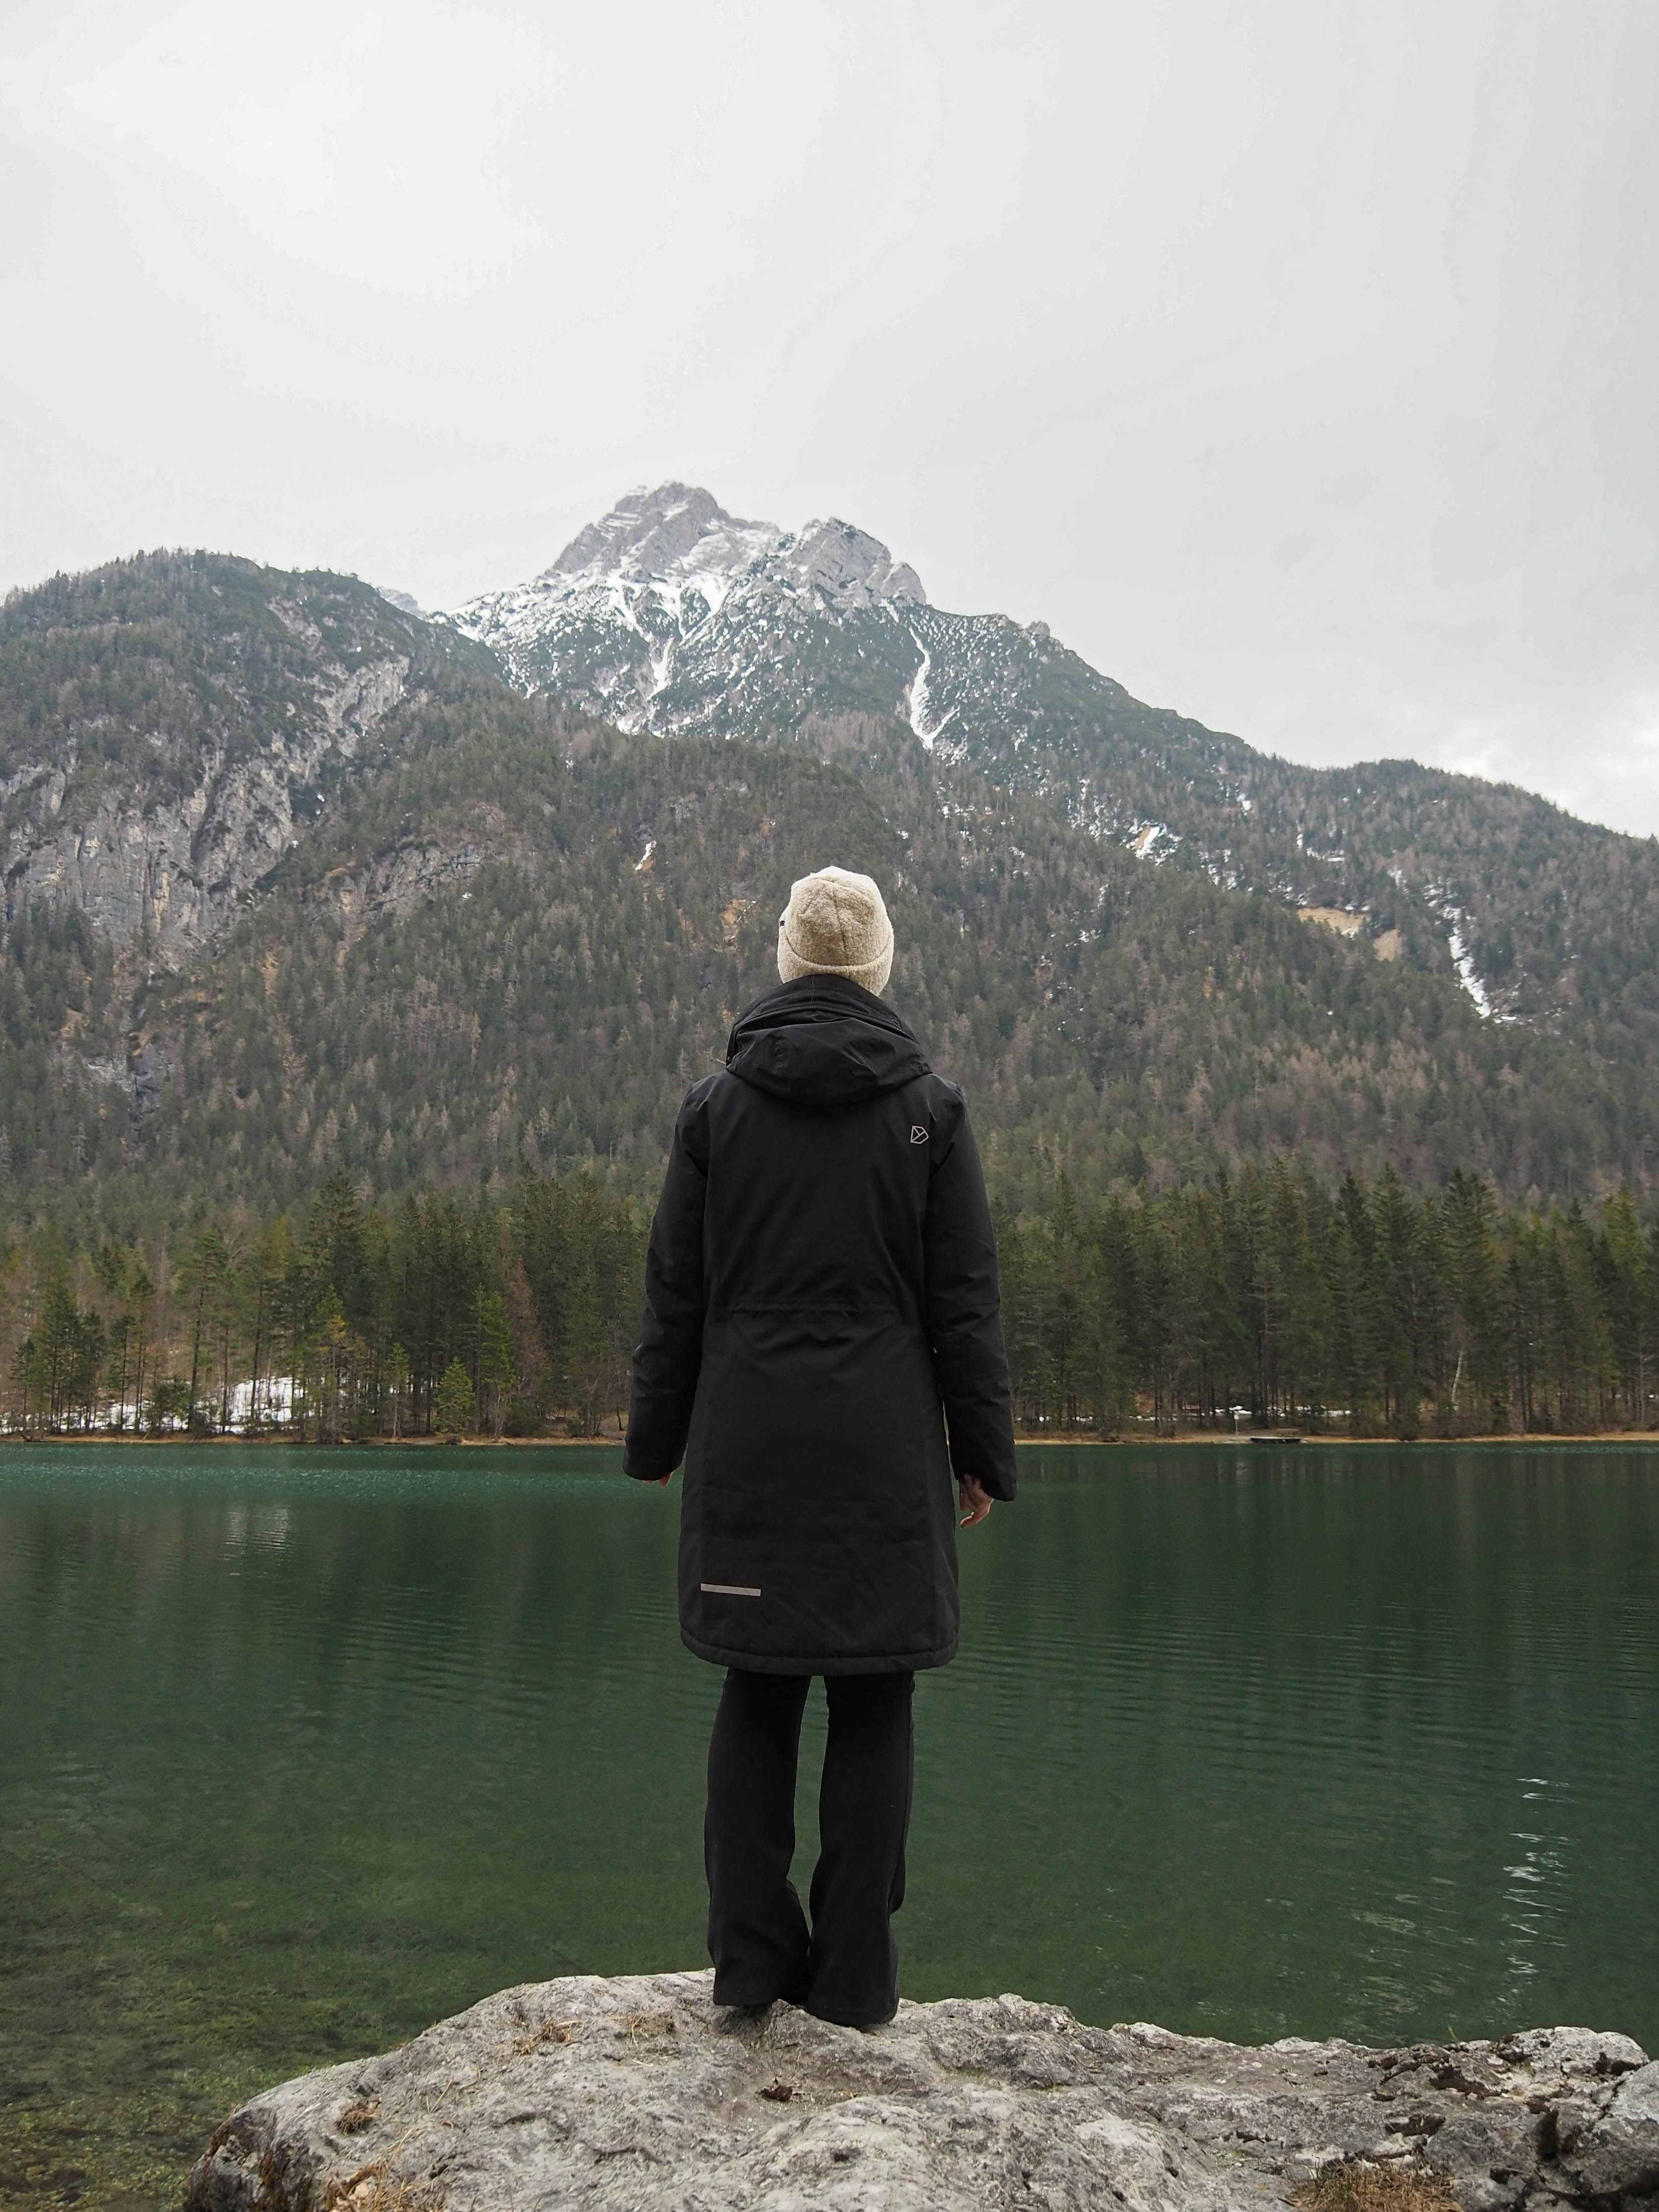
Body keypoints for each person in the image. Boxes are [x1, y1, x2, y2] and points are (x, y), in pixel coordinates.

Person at [623, 864, 1018, 2029]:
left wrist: (655, 1441)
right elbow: (965, 1305)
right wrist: (983, 1452)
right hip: (882, 1447)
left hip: (747, 1440)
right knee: (872, 1693)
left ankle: (748, 1967)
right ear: (879, 964)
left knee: (758, 1684)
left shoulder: (712, 1108)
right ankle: (851, 1978)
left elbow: (674, 1297)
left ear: (790, 963)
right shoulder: (929, 1111)